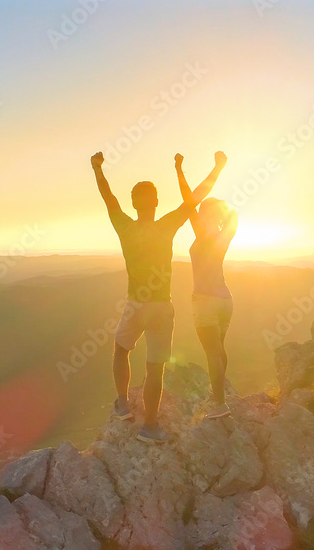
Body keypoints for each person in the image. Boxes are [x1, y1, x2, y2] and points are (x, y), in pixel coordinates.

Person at [90, 150, 227, 443]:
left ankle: (123, 405)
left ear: (133, 204)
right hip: (162, 307)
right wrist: (218, 167)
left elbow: (107, 197)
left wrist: (98, 168)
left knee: (121, 350)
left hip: (135, 303)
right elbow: (197, 197)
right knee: (155, 368)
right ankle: (150, 427)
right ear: (155, 202)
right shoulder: (166, 225)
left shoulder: (125, 226)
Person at [176, 153, 238, 419]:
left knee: (212, 353)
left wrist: (180, 169)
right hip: (226, 300)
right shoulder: (225, 234)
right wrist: (224, 210)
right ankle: (220, 394)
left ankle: (219, 404)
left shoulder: (202, 233)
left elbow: (189, 198)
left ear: (205, 214)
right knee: (219, 351)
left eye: (202, 211)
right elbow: (233, 215)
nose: (198, 212)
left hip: (205, 300)